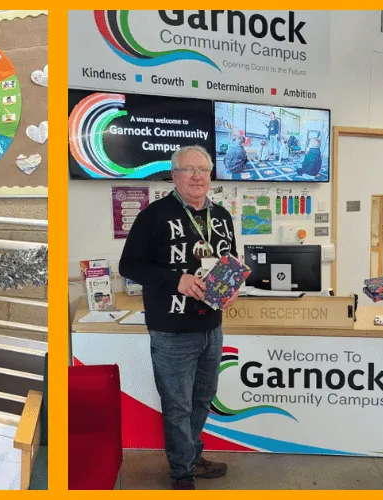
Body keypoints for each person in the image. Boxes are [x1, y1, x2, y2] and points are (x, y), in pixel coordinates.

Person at [119, 145, 239, 490]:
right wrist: (177, 281)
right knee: (177, 406)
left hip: (211, 326)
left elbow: (229, 259)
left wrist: (231, 286)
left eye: (203, 169)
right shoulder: (154, 216)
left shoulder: (221, 216)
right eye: (189, 170)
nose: (197, 176)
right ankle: (182, 472)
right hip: (171, 330)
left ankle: (191, 456)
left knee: (202, 399)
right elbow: (129, 265)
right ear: (174, 175)